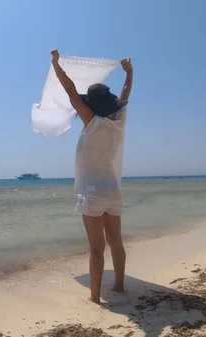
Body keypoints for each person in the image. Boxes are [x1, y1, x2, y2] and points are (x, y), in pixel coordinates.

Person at [50, 49, 133, 304]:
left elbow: (70, 91)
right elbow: (125, 93)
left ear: (91, 105)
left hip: (92, 193)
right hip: (112, 191)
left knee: (96, 249)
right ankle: (118, 286)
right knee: (115, 243)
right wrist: (130, 73)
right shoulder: (119, 121)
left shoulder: (91, 121)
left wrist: (56, 64)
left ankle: (95, 297)